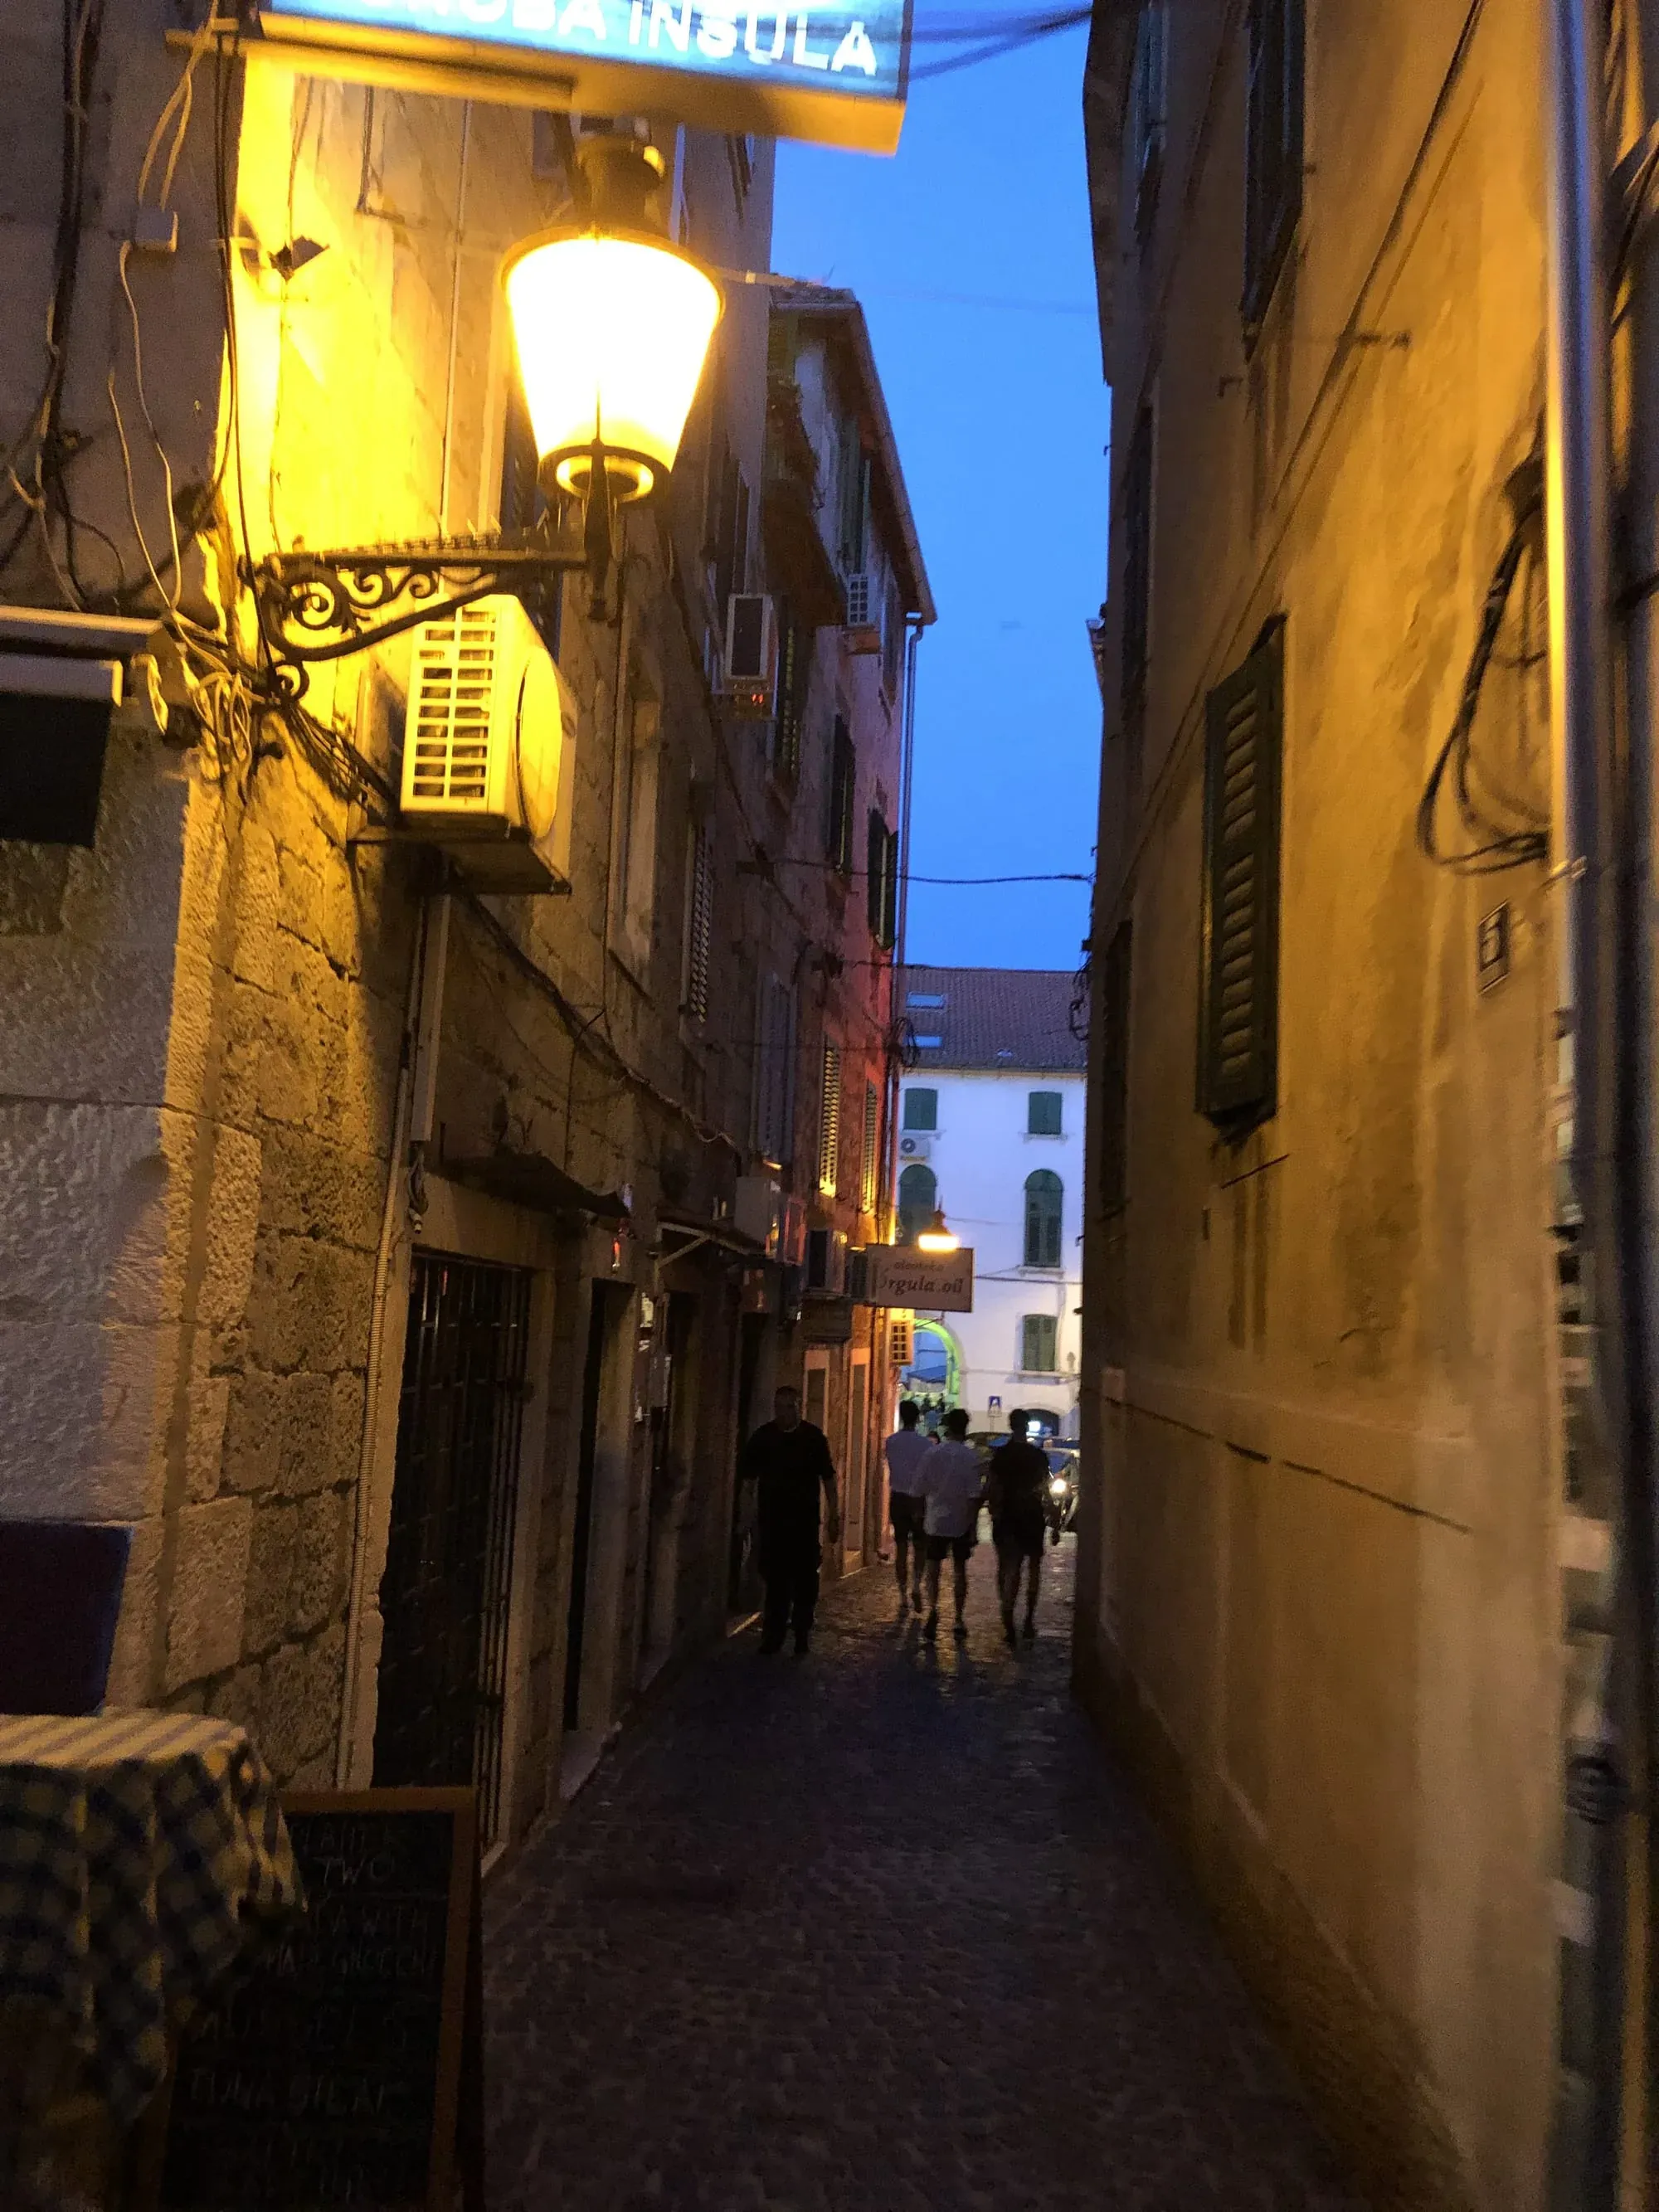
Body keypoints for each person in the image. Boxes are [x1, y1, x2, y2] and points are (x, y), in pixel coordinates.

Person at [737, 1384, 841, 1655]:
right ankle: (773, 1636)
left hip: (805, 1523)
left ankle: (802, 1632)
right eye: (779, 1407)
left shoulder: (813, 1438)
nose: (783, 1413)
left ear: (798, 1407)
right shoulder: (763, 1438)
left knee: (806, 1581)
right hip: (772, 1523)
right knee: (775, 1581)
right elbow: (748, 1481)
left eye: (789, 1407)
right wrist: (746, 1516)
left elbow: (828, 1479)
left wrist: (834, 1515)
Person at [913, 1407, 985, 1643]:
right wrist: (973, 1526)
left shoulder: (932, 1454)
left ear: (946, 1427)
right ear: (965, 1429)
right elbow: (975, 1495)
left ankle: (933, 1609)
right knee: (959, 1571)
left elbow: (918, 1488)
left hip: (935, 1520)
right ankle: (958, 1618)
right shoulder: (971, 1458)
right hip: (961, 1521)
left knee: (933, 1569)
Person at [986, 1408, 1051, 1646]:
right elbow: (1045, 1488)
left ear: (1011, 1425)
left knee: (1008, 1568)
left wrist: (994, 1511)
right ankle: (1029, 1621)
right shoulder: (1038, 1456)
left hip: (1008, 1514)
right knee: (1034, 1569)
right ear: (1027, 1426)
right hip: (1032, 1515)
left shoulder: (1001, 1456)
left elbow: (993, 1486)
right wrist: (1053, 1519)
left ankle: (1008, 1620)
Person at [883, 1399, 931, 1615]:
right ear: (918, 1417)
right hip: (918, 1499)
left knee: (901, 1547)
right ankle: (916, 1585)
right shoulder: (926, 1445)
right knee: (920, 1547)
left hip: (898, 1497)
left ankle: (902, 1596)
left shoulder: (891, 1442)